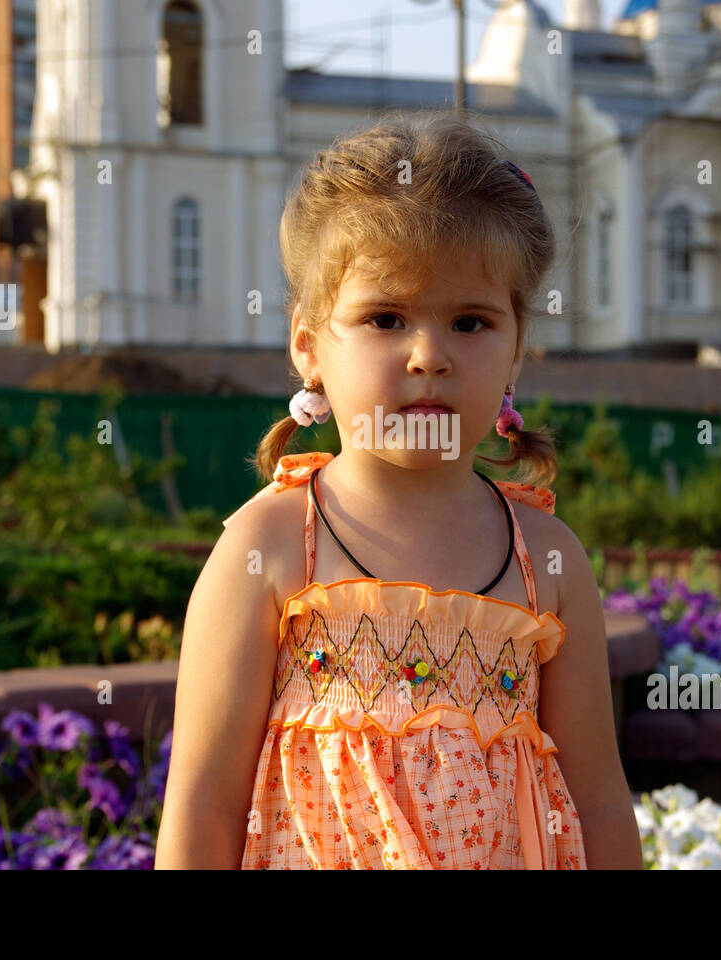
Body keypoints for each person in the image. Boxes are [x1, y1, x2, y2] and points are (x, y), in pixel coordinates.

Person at [155, 111, 643, 869]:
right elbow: (203, 800)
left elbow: (600, 798)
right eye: (385, 317)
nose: (429, 355)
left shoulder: (547, 559)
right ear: (308, 347)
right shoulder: (271, 547)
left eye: (471, 322)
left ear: (517, 351)